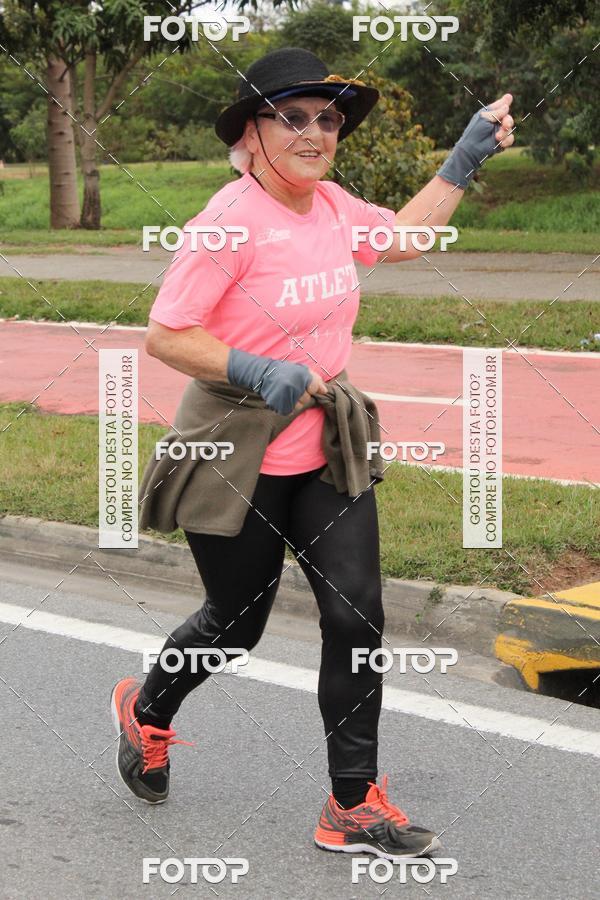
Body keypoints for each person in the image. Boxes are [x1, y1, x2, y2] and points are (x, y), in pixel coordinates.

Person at [111, 47, 514, 861]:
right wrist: (254, 367)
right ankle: (149, 711)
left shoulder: (330, 206)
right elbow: (166, 334)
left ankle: (352, 804)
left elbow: (401, 238)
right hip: (234, 448)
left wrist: (464, 156)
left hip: (324, 446)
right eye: (293, 115)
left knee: (357, 615)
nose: (315, 131)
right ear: (252, 132)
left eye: (327, 118)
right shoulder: (227, 221)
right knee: (235, 626)